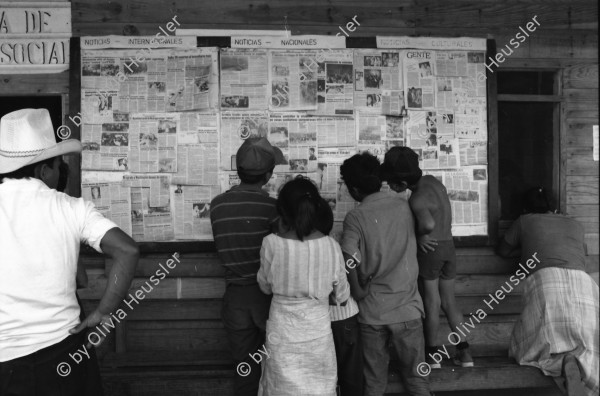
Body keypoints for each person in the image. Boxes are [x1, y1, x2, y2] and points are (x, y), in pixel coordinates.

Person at [0, 108, 139, 396]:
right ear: (43, 169)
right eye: (57, 164)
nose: (61, 171)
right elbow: (126, 250)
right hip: (65, 352)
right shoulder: (71, 207)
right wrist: (104, 311)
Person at [339, 152, 431, 396]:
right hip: (408, 310)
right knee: (417, 379)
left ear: (354, 190)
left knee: (374, 383)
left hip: (373, 313)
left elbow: (349, 257)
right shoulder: (404, 206)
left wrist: (358, 290)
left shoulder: (355, 217)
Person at [496, 187, 599, 396]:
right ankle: (575, 365)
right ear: (554, 207)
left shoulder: (524, 221)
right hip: (583, 283)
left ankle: (563, 362)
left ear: (525, 207)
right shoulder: (575, 224)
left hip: (546, 281)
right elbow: (582, 252)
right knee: (587, 341)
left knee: (537, 342)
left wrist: (526, 248)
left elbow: (502, 250)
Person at [381, 147, 474, 369]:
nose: (391, 188)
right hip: (449, 248)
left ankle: (433, 356)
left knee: (432, 303)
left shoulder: (417, 199)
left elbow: (428, 224)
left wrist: (421, 236)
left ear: (402, 184)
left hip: (432, 251)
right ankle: (465, 354)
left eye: (393, 184)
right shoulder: (434, 182)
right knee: (450, 302)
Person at [257, 177, 350, 395]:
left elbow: (264, 287)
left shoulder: (271, 243)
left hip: (282, 333)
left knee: (281, 388)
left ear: (282, 211)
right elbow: (342, 296)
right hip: (317, 334)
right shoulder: (331, 245)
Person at [209, 137, 285, 396]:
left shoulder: (217, 205)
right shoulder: (273, 208)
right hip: (267, 299)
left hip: (235, 299)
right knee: (275, 366)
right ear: (267, 175)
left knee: (244, 368)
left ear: (238, 171)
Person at [315, 195, 364, 395]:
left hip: (317, 320)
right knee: (351, 376)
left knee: (323, 376)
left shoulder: (298, 247)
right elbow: (342, 293)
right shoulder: (335, 243)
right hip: (344, 318)